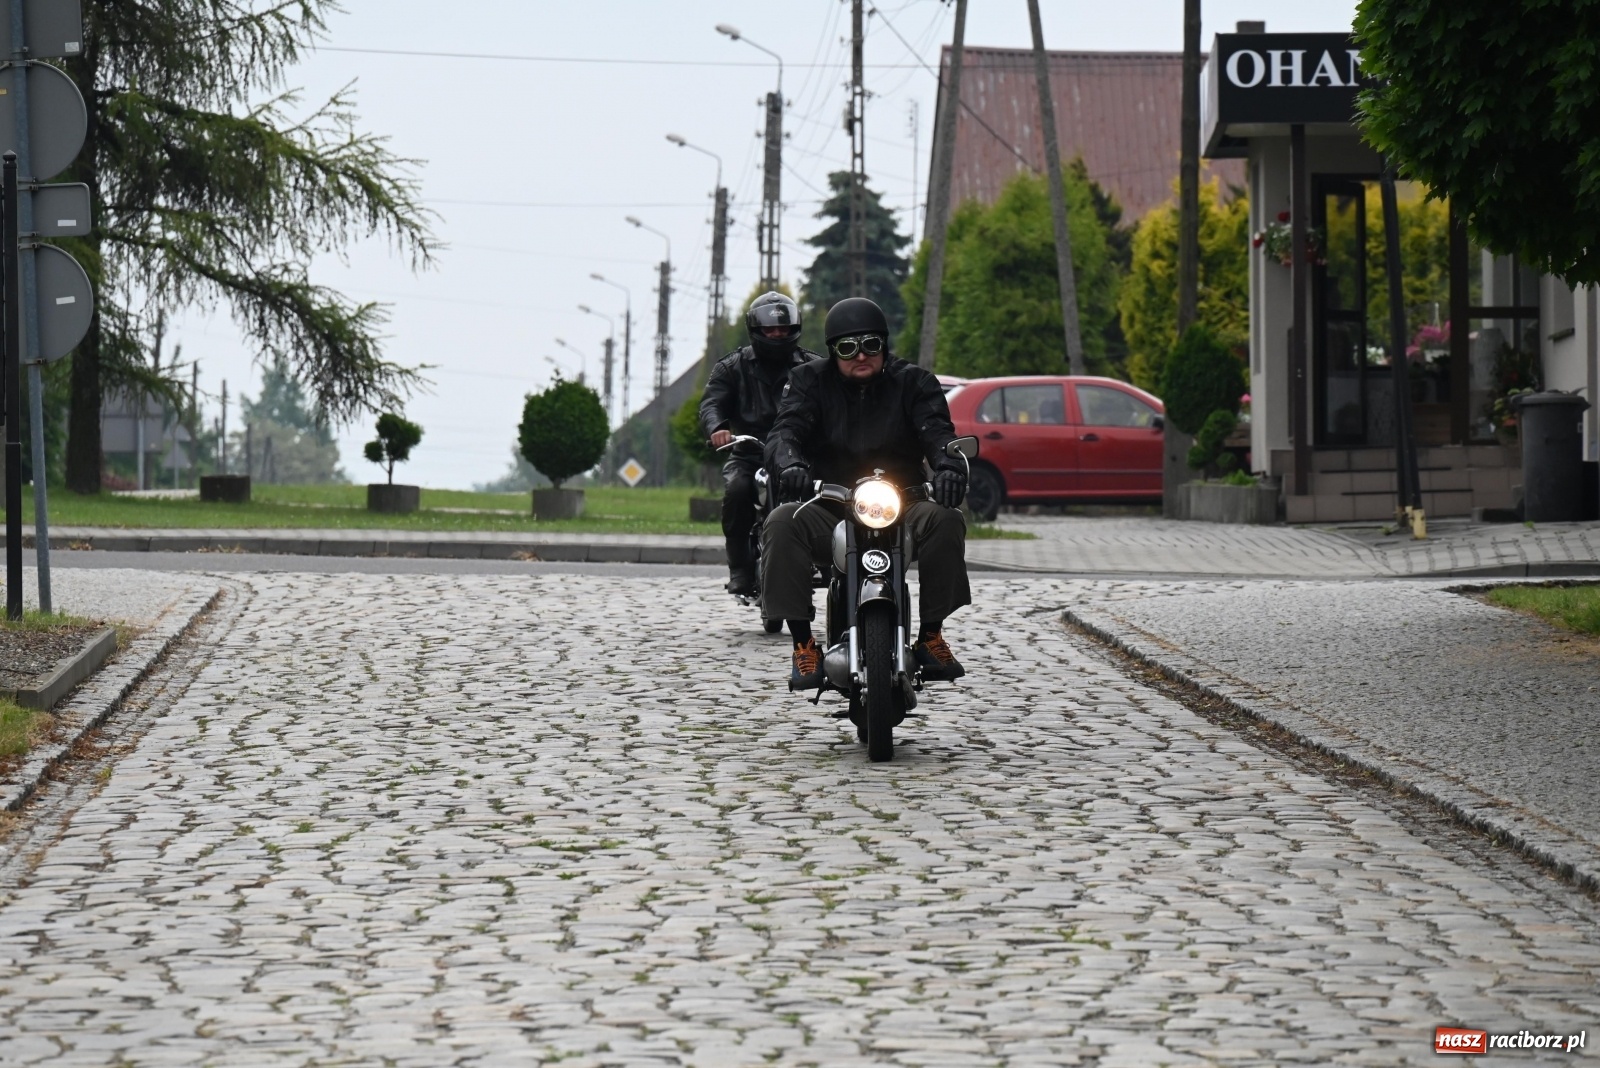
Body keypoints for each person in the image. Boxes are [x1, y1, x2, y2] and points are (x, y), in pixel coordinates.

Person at [761, 296, 970, 690]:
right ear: (832, 351)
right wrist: (789, 463)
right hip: (830, 502)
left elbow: (940, 436)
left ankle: (931, 635)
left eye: (871, 345)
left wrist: (949, 468)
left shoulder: (915, 383)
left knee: (946, 518)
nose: (861, 355)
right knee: (781, 522)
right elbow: (784, 432)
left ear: (885, 346)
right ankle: (803, 642)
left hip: (904, 502)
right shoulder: (808, 381)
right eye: (847, 347)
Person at [698, 292, 822, 596]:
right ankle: (739, 567)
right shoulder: (731, 367)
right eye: (770, 329)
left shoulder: (814, 366)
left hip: (797, 453)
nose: (778, 334)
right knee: (737, 491)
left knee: (825, 492)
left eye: (783, 328)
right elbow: (711, 403)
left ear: (794, 328)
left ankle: (824, 558)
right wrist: (718, 427)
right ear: (756, 330)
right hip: (749, 452)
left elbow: (835, 403)